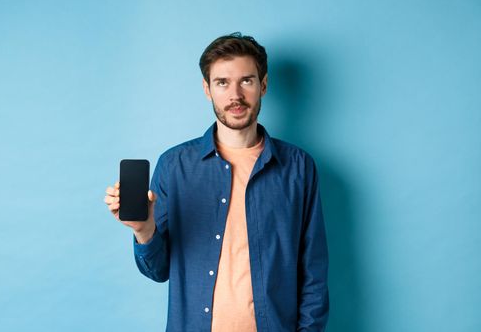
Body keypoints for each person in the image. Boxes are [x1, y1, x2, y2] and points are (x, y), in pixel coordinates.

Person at [104, 32, 329, 332]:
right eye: (222, 82)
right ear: (207, 89)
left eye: (246, 81)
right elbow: (157, 271)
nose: (235, 95)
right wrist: (145, 231)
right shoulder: (174, 166)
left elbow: (313, 272)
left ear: (263, 85)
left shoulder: (298, 168)